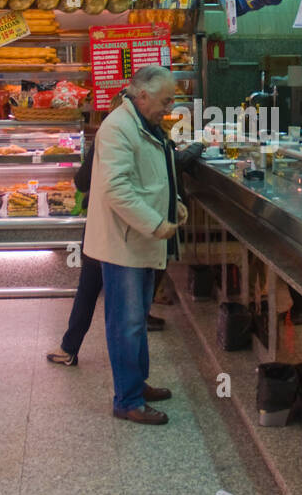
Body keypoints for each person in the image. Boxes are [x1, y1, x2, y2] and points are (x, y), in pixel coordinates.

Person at [46, 115, 203, 367]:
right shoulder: (130, 138)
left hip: (109, 232)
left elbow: (82, 181)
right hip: (123, 235)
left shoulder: (118, 137)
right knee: (126, 311)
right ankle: (127, 382)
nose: (167, 108)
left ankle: (71, 348)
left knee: (92, 290)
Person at [83, 66, 186, 425]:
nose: (170, 107)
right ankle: (126, 400)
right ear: (142, 95)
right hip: (124, 243)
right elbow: (117, 189)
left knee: (137, 320)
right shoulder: (118, 127)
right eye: (165, 100)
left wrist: (173, 206)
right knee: (125, 323)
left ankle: (137, 384)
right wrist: (156, 222)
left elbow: (153, 177)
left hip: (140, 239)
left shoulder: (146, 125)